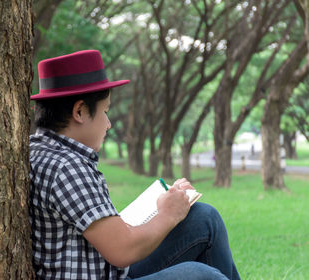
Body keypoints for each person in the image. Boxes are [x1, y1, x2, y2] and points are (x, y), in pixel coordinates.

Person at [29, 50, 241, 280]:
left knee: (204, 217)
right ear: (79, 111)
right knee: (202, 276)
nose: (108, 124)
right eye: (105, 112)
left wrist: (167, 207)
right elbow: (122, 250)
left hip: (106, 268)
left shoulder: (41, 150)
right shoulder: (68, 168)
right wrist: (168, 214)